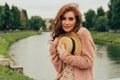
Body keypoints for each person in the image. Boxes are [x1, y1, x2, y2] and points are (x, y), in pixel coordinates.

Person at [49, 3, 96, 80]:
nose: (67, 23)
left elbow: (88, 62)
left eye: (71, 19)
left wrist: (66, 56)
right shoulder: (62, 38)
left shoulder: (83, 33)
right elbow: (60, 69)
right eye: (64, 19)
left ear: (76, 21)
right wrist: (53, 49)